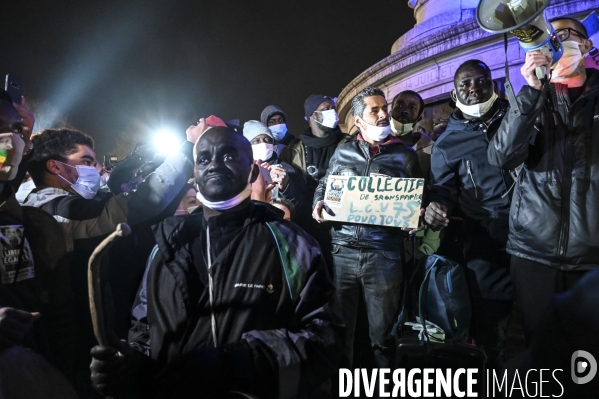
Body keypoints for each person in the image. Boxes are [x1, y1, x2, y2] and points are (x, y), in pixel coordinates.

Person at [90, 126, 344, 399]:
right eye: (203, 159)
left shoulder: (291, 244)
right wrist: (127, 366)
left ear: (253, 172)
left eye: (228, 156)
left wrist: (236, 361)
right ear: (194, 175)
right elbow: (144, 332)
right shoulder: (166, 245)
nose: (213, 164)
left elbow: (325, 338)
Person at [24, 127, 196, 396]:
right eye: (87, 161)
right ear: (55, 167)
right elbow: (137, 205)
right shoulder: (54, 210)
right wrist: (188, 148)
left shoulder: (65, 204)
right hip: (73, 357)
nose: (97, 168)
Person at [487, 17, 599, 341]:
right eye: (548, 37)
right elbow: (502, 157)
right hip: (534, 254)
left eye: (563, 35)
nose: (555, 42)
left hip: (592, 256)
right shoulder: (530, 101)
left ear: (587, 44)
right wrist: (532, 93)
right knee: (544, 351)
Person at [313, 87, 423, 369]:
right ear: (359, 121)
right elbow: (326, 185)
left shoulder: (406, 157)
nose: (384, 113)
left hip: (384, 255)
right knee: (341, 332)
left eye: (383, 107)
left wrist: (416, 217)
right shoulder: (343, 152)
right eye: (374, 110)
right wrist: (318, 204)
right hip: (343, 252)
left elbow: (418, 203)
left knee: (383, 336)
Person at [425, 59, 514, 370]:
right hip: (486, 246)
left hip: (535, 239)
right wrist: (437, 209)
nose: (474, 88)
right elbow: (442, 192)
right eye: (465, 83)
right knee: (494, 336)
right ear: (454, 92)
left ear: (492, 84)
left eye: (481, 81)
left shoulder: (516, 118)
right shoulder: (446, 143)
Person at [281, 95, 348, 254]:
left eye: (333, 108)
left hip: (341, 227)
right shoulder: (292, 151)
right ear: (312, 115)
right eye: (326, 109)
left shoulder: (349, 144)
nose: (332, 112)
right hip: (306, 229)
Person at [243, 120, 304, 208]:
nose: (263, 143)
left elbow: (300, 205)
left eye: (267, 139)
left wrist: (286, 187)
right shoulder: (242, 172)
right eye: (256, 141)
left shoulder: (288, 169)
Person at [390, 90, 434, 182]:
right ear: (391, 112)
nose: (404, 111)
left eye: (412, 107)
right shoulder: (378, 146)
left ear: (419, 118)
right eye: (400, 105)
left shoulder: (432, 151)